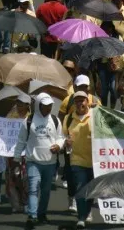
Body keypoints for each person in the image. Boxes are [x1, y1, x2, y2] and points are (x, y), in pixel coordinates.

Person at [13, 93, 64, 229]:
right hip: (33, 162)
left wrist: (58, 145)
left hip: (50, 163)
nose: (48, 108)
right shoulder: (28, 121)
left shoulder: (55, 120)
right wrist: (17, 158)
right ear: (38, 105)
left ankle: (42, 214)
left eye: (50, 106)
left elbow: (61, 137)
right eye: (45, 106)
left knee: (46, 191)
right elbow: (21, 141)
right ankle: (32, 216)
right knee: (33, 189)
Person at [63, 92, 94, 229]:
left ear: (87, 101)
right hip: (76, 160)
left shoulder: (95, 116)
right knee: (80, 188)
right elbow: (61, 136)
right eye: (77, 101)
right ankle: (81, 217)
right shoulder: (68, 118)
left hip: (94, 161)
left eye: (82, 101)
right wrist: (65, 142)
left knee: (91, 191)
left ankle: (87, 212)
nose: (80, 103)